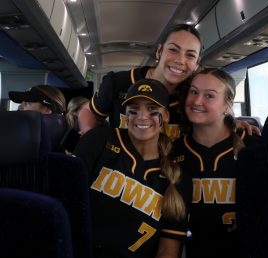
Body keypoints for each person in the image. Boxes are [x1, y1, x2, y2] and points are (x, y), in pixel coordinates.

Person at [73, 78, 193, 258]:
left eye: (153, 110)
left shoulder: (177, 175)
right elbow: (66, 203)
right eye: (134, 110)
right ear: (126, 115)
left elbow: (168, 248)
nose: (142, 117)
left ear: (166, 116)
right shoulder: (99, 140)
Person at [88, 23, 259, 141]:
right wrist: (92, 146)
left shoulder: (192, 97)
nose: (180, 60)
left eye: (190, 55)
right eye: (173, 50)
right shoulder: (119, 82)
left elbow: (209, 115)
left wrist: (227, 123)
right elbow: (88, 113)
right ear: (159, 51)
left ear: (197, 63)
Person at [172, 68, 262, 258]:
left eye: (210, 96)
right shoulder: (174, 151)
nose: (197, 101)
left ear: (227, 104)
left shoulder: (254, 148)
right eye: (194, 92)